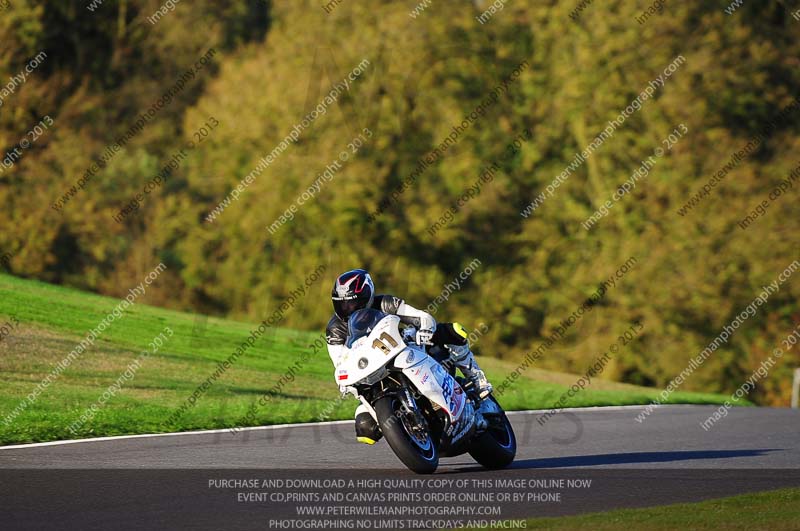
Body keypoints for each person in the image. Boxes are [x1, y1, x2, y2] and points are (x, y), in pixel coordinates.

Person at [325, 268, 492, 444]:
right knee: (365, 427)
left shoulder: (385, 303)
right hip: (372, 372)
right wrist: (345, 383)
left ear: (368, 296)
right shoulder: (334, 329)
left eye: (352, 303)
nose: (348, 309)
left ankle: (476, 378)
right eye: (341, 304)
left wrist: (424, 328)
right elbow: (340, 363)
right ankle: (407, 430)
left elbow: (420, 316)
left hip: (404, 349)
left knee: (453, 332)